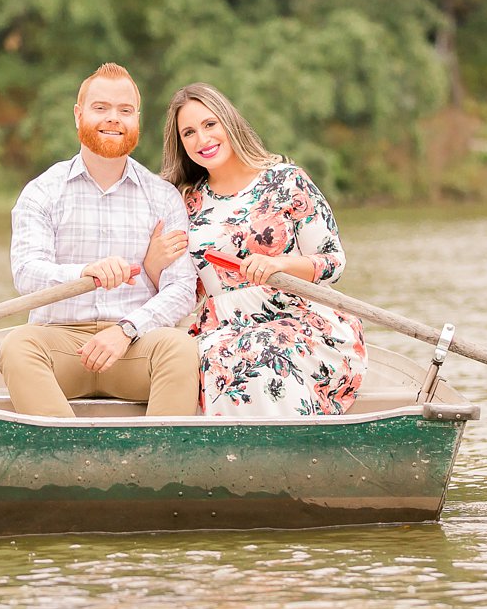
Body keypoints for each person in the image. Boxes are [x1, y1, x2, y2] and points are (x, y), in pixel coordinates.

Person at [145, 82, 366, 417]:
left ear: (228, 122)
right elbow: (182, 293)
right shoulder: (184, 203)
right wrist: (153, 263)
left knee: (265, 354)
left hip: (293, 317)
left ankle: (288, 457)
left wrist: (280, 266)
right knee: (205, 361)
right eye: (188, 133)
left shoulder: (285, 180)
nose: (202, 140)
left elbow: (333, 261)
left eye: (209, 125)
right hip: (219, 329)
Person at [0, 63, 200, 418]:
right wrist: (84, 272)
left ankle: (159, 465)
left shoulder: (163, 197)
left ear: (138, 119)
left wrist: (126, 330)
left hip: (134, 343)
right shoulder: (43, 191)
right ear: (78, 116)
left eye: (125, 111)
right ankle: (69, 459)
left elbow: (182, 288)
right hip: (60, 342)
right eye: (100, 108)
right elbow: (27, 274)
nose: (113, 119)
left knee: (181, 349)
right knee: (17, 347)